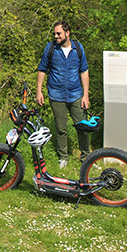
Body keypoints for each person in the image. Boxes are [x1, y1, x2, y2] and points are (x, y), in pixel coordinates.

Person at [35, 21, 90, 168]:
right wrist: (39, 91)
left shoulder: (78, 48)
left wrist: (86, 95)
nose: (56, 36)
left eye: (58, 33)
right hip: (56, 95)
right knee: (61, 128)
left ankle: (86, 158)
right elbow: (42, 70)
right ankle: (63, 157)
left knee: (83, 127)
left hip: (76, 95)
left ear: (67, 33)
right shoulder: (51, 48)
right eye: (55, 33)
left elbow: (84, 71)